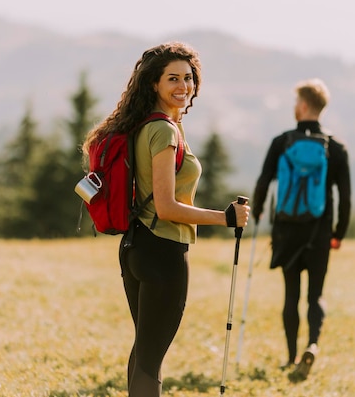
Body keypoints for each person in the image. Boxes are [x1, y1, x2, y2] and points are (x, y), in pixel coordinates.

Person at [82, 41, 250, 397]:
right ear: (153, 84)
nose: (183, 86)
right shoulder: (163, 132)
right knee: (150, 358)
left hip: (135, 248)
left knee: (144, 351)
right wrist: (227, 218)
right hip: (163, 251)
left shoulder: (145, 126)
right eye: (172, 78)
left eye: (188, 78)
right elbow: (166, 207)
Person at [251, 78, 351, 382]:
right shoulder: (335, 148)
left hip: (287, 230)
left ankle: (291, 355)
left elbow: (264, 181)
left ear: (304, 106)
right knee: (315, 295)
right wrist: (339, 233)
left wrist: (256, 212)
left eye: (296, 103)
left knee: (290, 294)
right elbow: (345, 196)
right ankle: (313, 344)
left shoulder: (282, 142)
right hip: (319, 232)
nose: (295, 108)